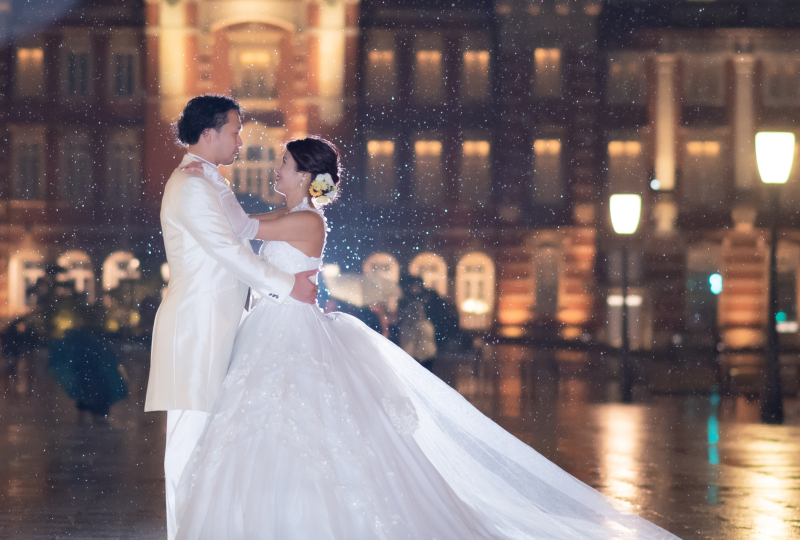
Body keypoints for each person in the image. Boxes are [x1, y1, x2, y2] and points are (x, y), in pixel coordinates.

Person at [172, 136, 680, 540]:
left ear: (305, 176)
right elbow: (249, 233)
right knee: (274, 424)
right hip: (276, 323)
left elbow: (238, 227)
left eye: (283, 164)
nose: (275, 170)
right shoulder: (294, 217)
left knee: (292, 425)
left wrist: (206, 173)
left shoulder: (304, 220)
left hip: (286, 329)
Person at [144, 95, 319, 540]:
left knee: (206, 444)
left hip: (220, 327)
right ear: (210, 134)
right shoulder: (194, 185)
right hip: (196, 330)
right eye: (235, 131)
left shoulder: (209, 182)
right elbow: (227, 250)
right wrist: (286, 284)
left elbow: (243, 231)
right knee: (187, 444)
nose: (241, 140)